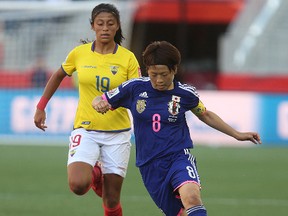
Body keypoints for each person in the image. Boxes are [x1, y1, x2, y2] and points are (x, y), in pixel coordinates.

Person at [92, 41, 261, 216]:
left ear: (174, 70)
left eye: (164, 74)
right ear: (147, 70)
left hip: (178, 157)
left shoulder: (185, 93)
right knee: (180, 213)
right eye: (153, 74)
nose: (159, 80)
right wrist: (99, 103)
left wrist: (237, 134)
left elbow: (205, 114)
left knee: (192, 197)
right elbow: (100, 98)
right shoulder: (134, 88)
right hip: (149, 164)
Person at [34, 3, 141, 216]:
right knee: (77, 185)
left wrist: (112, 101)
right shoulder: (79, 53)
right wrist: (41, 107)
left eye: (110, 24)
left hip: (117, 134)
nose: (105, 28)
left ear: (118, 26)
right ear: (92, 26)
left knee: (111, 201)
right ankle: (96, 173)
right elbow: (57, 75)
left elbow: (135, 92)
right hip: (86, 129)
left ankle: (101, 174)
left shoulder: (127, 58)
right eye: (100, 23)